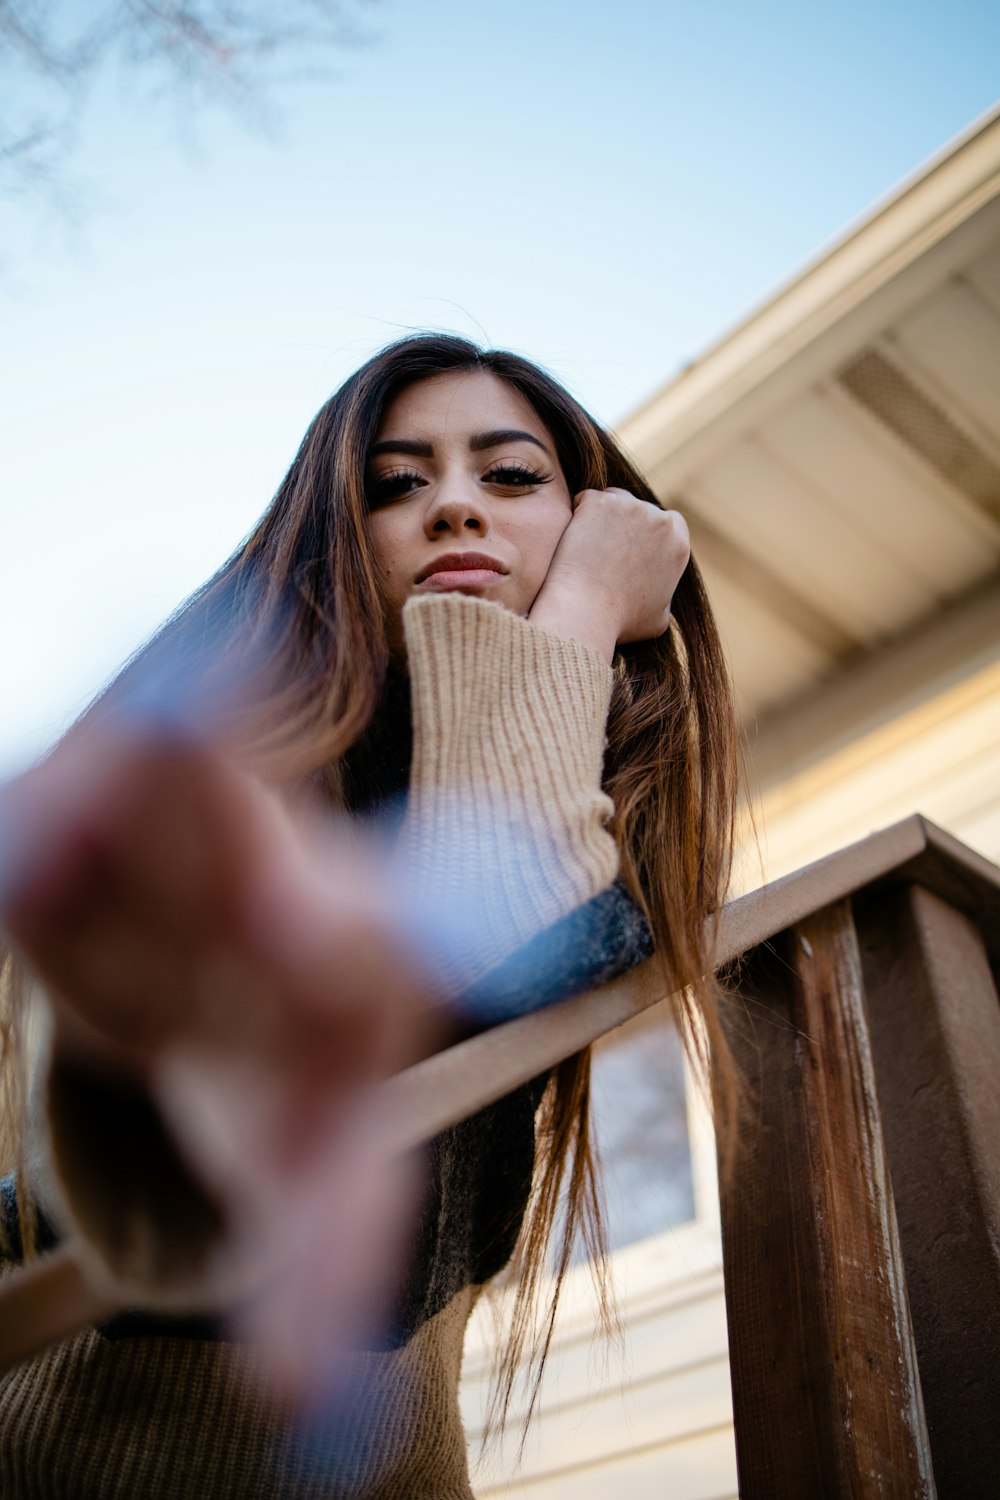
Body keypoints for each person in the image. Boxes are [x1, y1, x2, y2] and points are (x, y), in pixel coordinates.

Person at [0, 333, 740, 1498]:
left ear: (589, 513)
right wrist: (588, 595)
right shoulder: (227, 767)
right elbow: (482, 924)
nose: (453, 505)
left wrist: (571, 623)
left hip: (394, 1459)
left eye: (509, 476)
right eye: (398, 483)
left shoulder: (615, 808)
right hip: (86, 1440)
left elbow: (497, 921)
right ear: (333, 534)